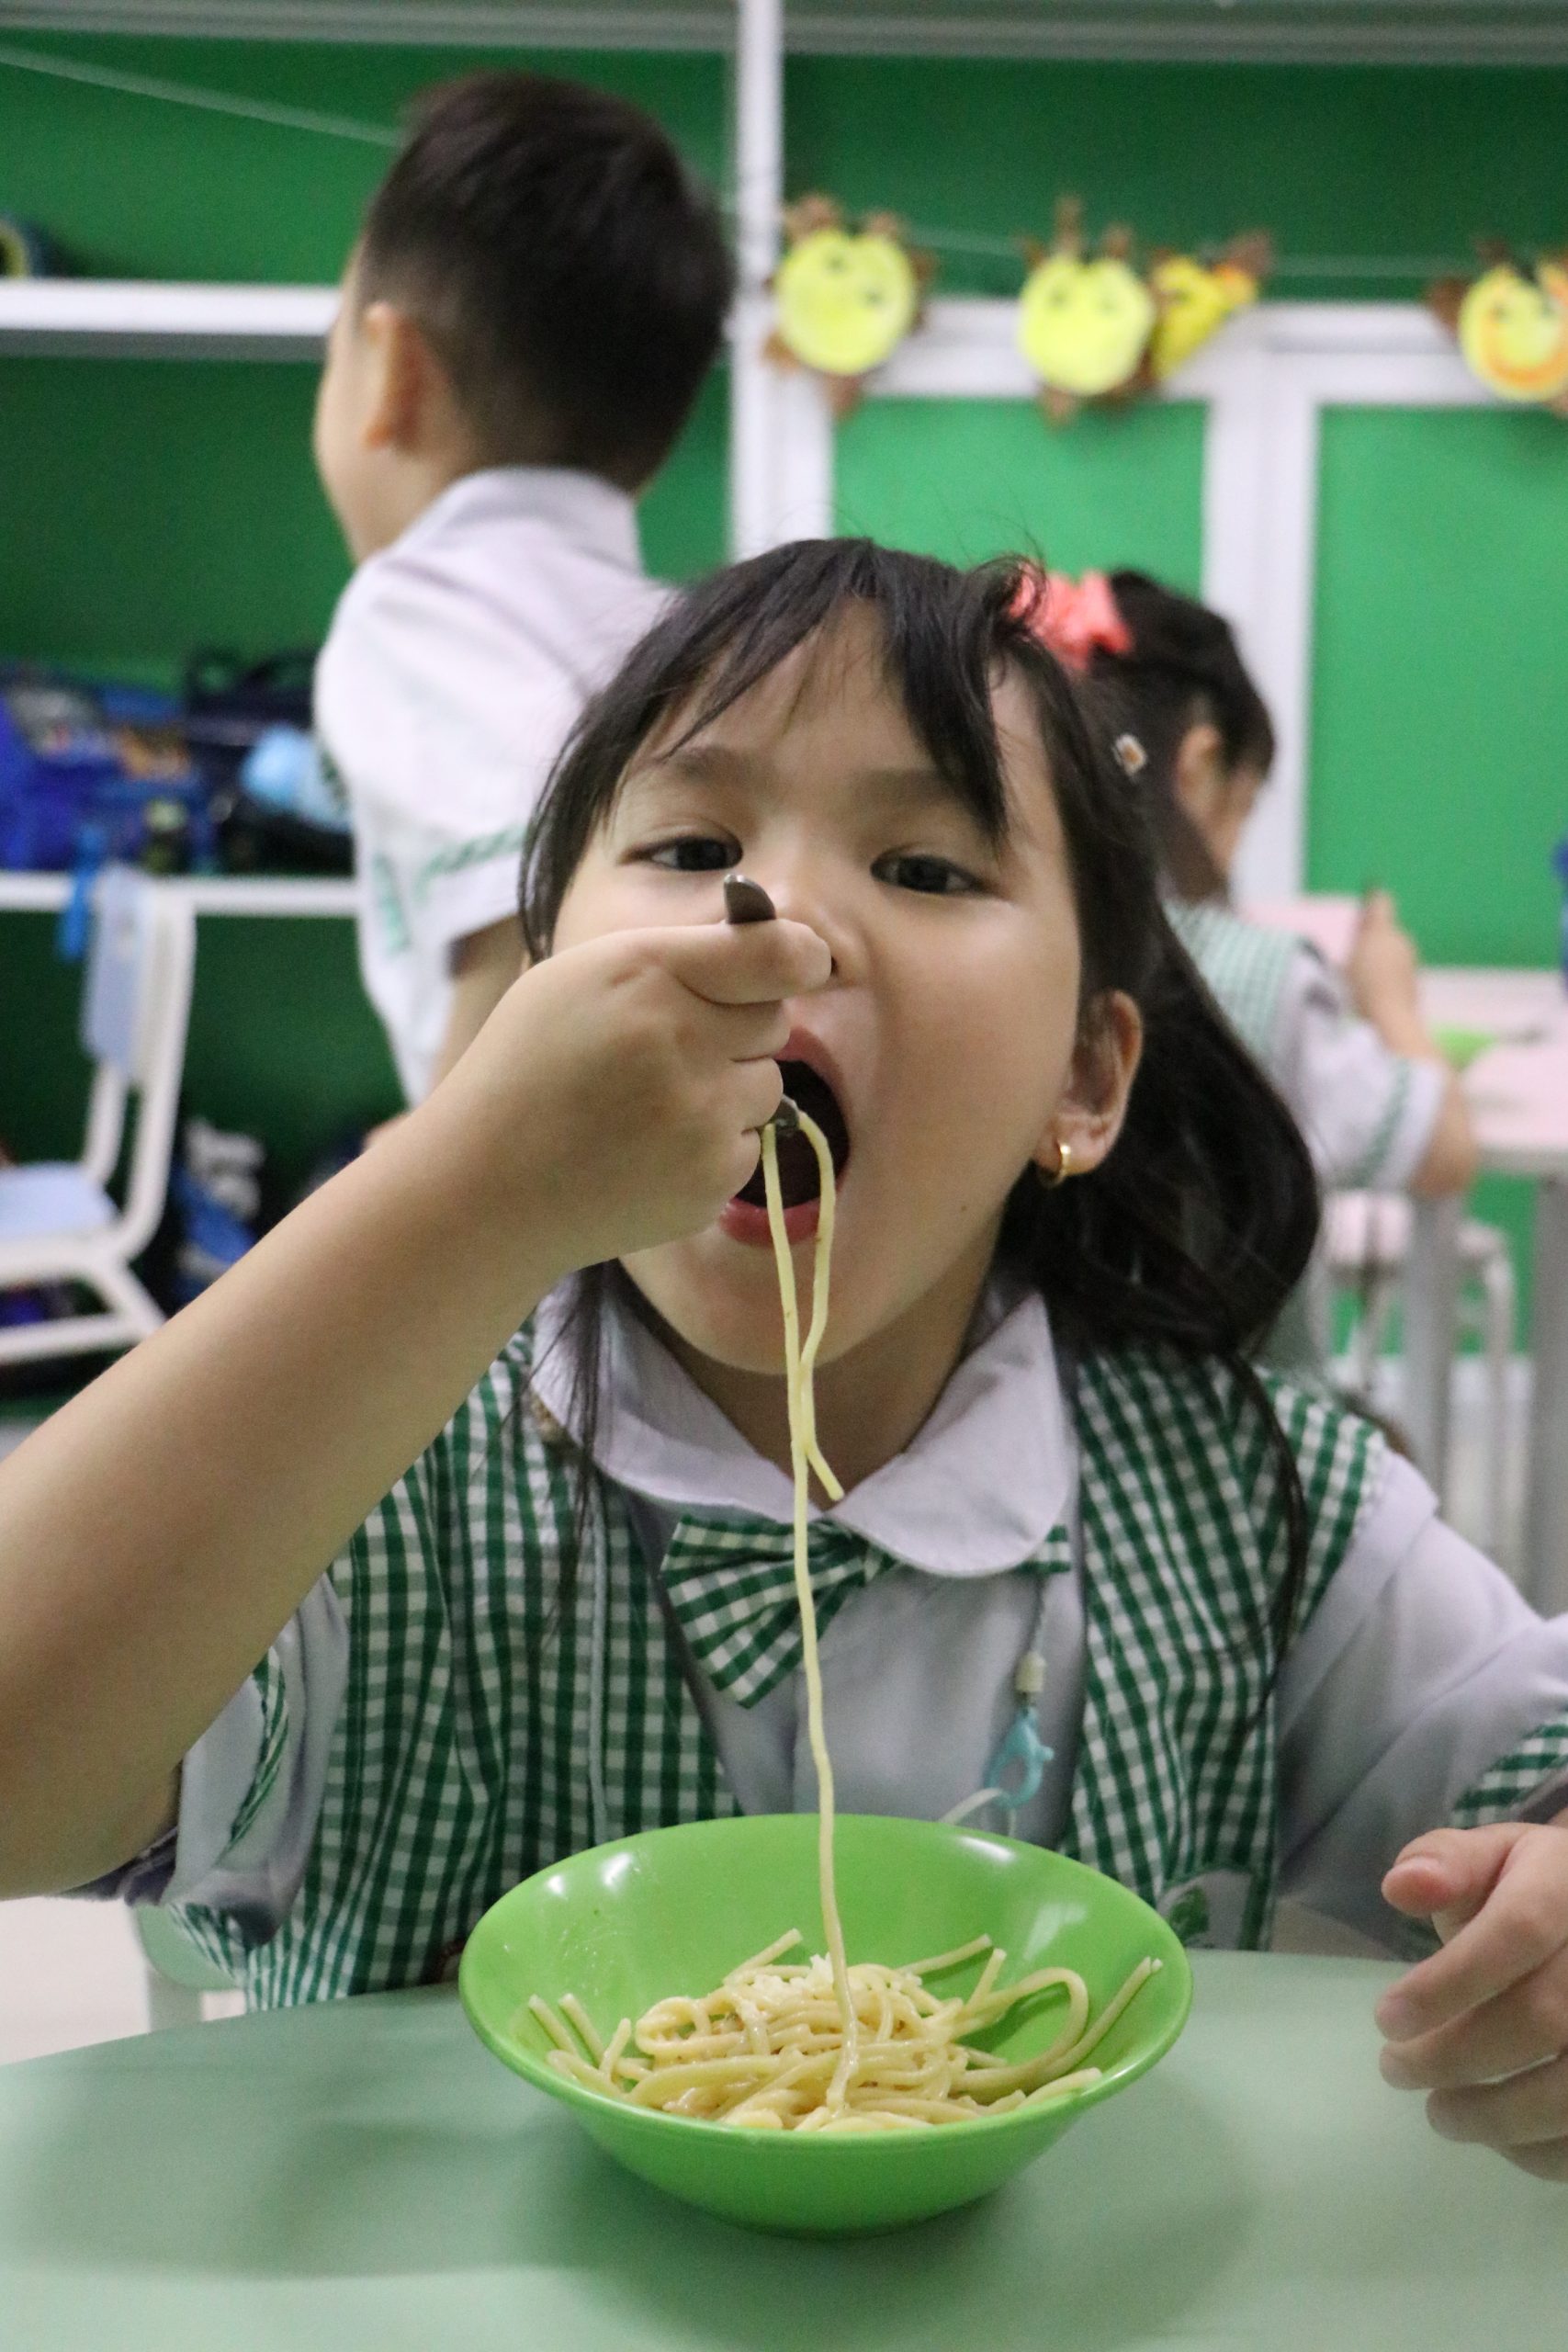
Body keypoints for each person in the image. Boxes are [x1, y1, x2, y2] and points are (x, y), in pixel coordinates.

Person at [1, 542, 1566, 2179]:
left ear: (1084, 1080)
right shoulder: (375, 1479)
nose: (781, 919)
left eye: (926, 867)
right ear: (544, 985)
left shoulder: (1254, 1509)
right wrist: (461, 1191)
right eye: (691, 847)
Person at [311, 70, 733, 1103]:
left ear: (392, 372)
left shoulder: (412, 611)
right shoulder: (679, 628)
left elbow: (521, 915)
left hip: (540, 1174)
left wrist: (438, 1177)